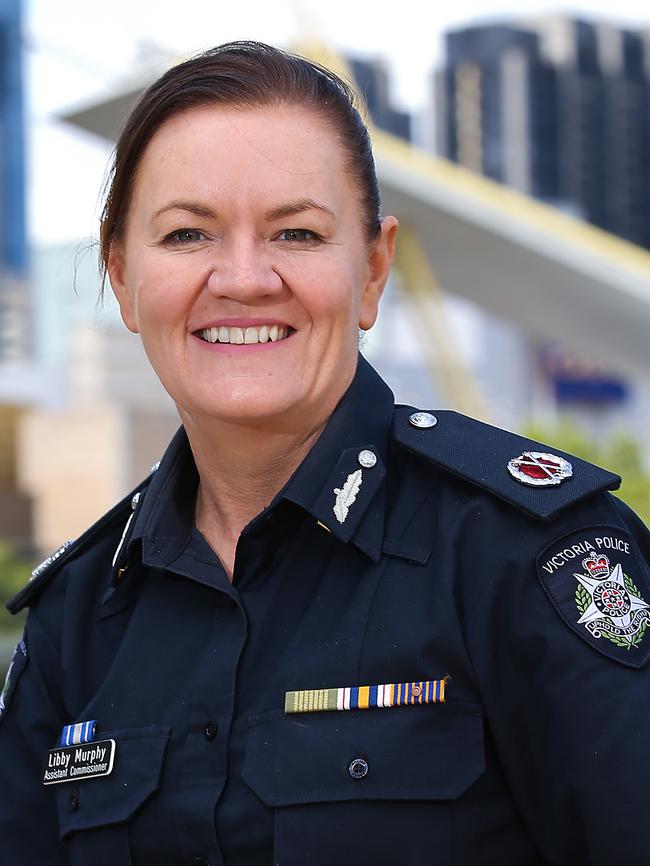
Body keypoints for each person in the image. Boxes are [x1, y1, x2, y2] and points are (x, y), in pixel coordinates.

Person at [1, 41, 649, 866]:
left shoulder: (523, 556)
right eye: (188, 233)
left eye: (298, 233)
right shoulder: (76, 619)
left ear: (373, 270)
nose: (242, 278)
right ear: (123, 276)